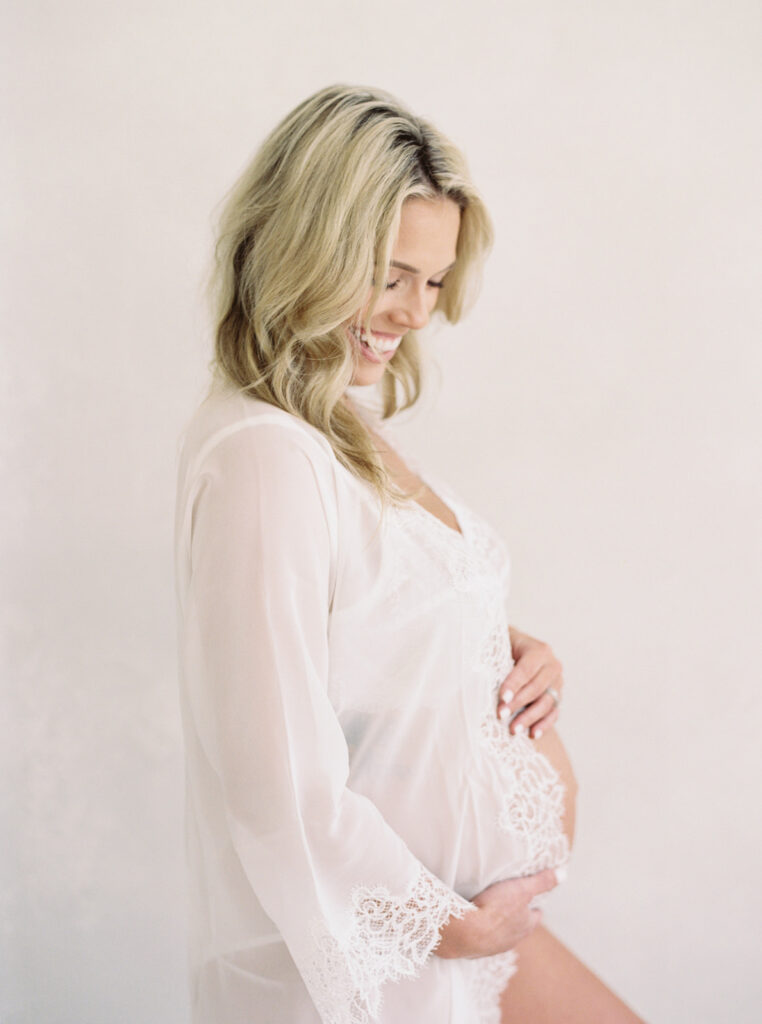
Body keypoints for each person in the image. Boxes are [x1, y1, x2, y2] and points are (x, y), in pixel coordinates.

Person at [174, 85, 644, 1023]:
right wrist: (451, 928)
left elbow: (354, 628)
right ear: (308, 245)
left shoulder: (333, 422)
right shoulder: (265, 455)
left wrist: (498, 643)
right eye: (390, 275)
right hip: (386, 947)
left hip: (456, 933)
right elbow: (279, 786)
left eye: (433, 281)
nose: (417, 313)